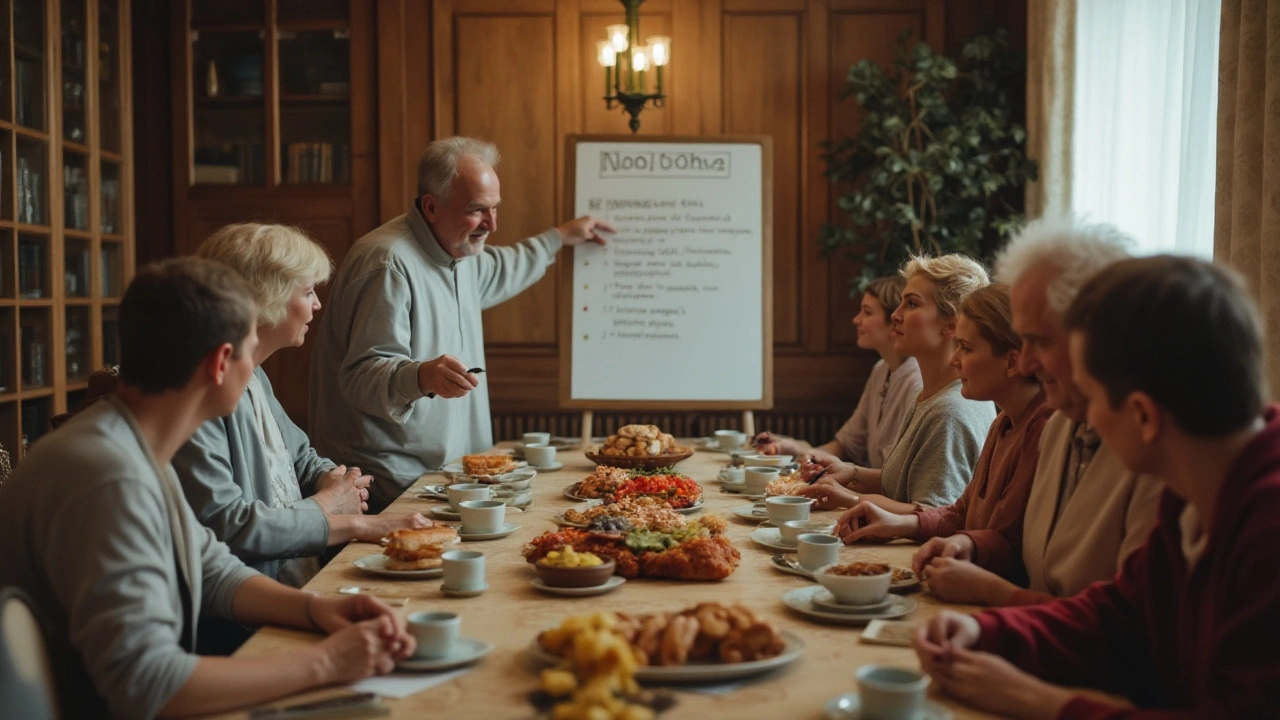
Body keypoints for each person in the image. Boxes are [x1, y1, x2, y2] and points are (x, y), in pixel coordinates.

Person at [0, 258, 414, 719]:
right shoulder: (110, 476)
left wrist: (317, 611)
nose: (255, 367)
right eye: (251, 348)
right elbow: (148, 685)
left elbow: (211, 569)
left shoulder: (129, 440)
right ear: (221, 362)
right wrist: (331, 661)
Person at [914, 255, 1280, 719]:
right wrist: (988, 634)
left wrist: (1039, 701)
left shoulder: (1267, 526)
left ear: (1144, 416)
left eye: (1090, 397)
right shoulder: (1191, 494)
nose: (1082, 420)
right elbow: (1119, 621)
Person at [309, 137, 615, 510]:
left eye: (495, 208)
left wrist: (560, 237)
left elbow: (504, 266)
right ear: (431, 206)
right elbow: (359, 376)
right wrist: (421, 376)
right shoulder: (386, 263)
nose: (491, 224)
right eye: (477, 210)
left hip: (444, 479)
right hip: (389, 485)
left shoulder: (460, 250)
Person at [913, 217, 1161, 606]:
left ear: (1097, 335)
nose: (1026, 363)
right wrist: (969, 546)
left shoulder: (1150, 447)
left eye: (1039, 341)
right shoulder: (1063, 426)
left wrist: (997, 594)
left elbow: (1130, 628)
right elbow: (1019, 546)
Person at [174, 223, 431, 592]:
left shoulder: (255, 376)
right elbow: (228, 527)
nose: (317, 304)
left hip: (298, 582)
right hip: (247, 609)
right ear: (265, 299)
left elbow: (303, 458)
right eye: (308, 291)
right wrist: (340, 513)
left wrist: (331, 480)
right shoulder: (201, 390)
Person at [834, 285, 1053, 584]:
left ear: (1013, 362)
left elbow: (1017, 553)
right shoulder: (1003, 421)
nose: (955, 359)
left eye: (967, 348)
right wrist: (900, 524)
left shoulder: (1042, 430)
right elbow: (960, 513)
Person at [798, 254, 996, 512]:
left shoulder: (949, 411)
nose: (896, 315)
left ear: (951, 325)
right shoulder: (930, 395)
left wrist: (849, 498)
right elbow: (902, 485)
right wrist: (850, 472)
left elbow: (932, 515)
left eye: (912, 304)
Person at [753, 276, 922, 467]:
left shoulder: (917, 383)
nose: (856, 319)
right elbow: (848, 444)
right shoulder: (881, 369)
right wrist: (793, 449)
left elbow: (898, 478)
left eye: (867, 312)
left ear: (894, 322)